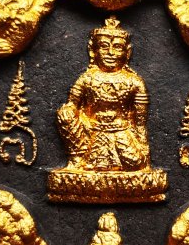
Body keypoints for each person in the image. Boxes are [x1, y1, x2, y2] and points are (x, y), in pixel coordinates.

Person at [56, 16, 151, 172]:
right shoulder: (87, 78)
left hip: (121, 132)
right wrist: (69, 112)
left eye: (117, 47)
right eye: (104, 46)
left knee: (135, 162)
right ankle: (77, 159)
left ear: (127, 52)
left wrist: (143, 149)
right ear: (93, 50)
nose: (110, 53)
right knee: (64, 114)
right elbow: (72, 104)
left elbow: (140, 124)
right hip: (90, 133)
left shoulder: (135, 82)